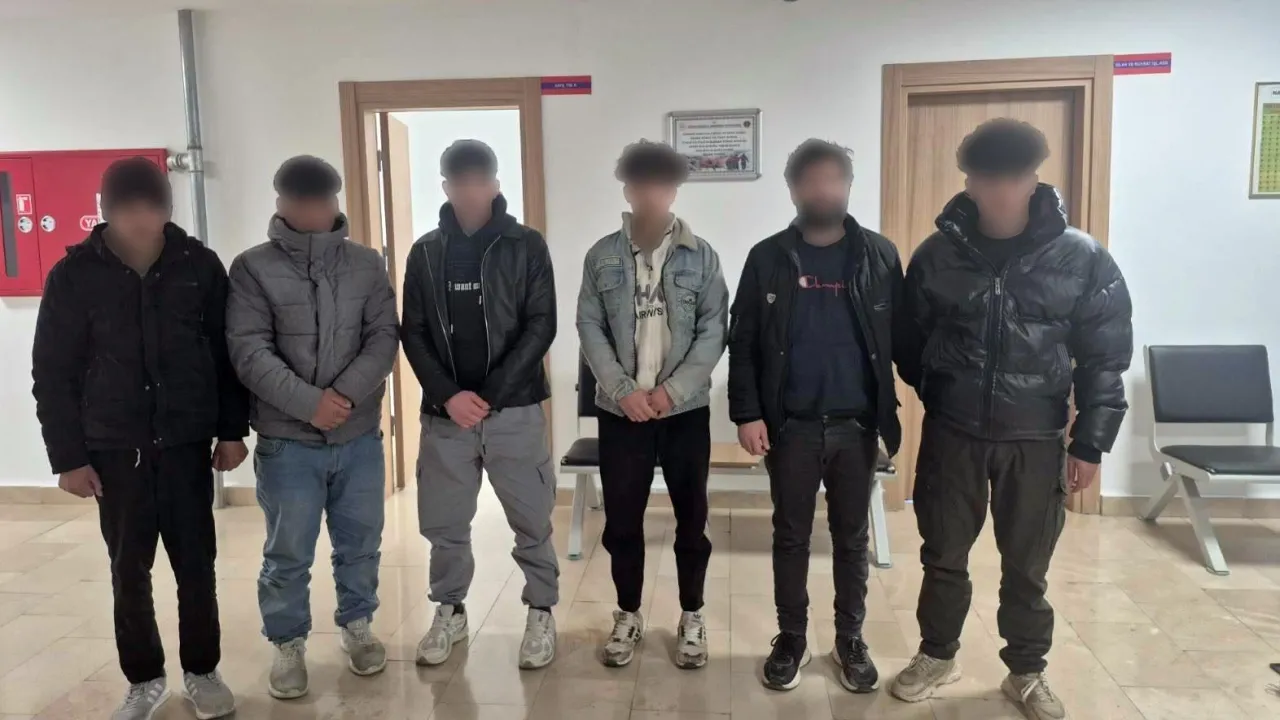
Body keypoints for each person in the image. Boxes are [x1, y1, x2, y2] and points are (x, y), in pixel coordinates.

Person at [890, 119, 1132, 720]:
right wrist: (943, 390)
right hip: (953, 435)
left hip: (1037, 438)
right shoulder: (937, 255)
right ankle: (937, 654)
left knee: (1027, 564)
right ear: (969, 183)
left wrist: (1090, 442)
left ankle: (1026, 671)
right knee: (943, 554)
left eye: (1014, 177)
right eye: (987, 178)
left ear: (1033, 180)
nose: (1000, 190)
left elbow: (1105, 357)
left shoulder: (1082, 259)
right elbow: (908, 339)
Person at [32, 157, 249, 720]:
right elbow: (53, 372)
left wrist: (231, 431)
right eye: (127, 208)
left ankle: (202, 670)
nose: (141, 219)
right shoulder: (74, 274)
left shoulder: (198, 265)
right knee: (129, 570)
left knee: (196, 565)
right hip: (113, 448)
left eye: (152, 206)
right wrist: (68, 457)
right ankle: (144, 679)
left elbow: (226, 355)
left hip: (185, 444)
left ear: (167, 208)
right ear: (106, 210)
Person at [727, 140, 903, 693]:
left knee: (852, 540)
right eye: (810, 180)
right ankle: (792, 638)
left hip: (857, 426)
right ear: (793, 189)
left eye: (833, 179)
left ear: (847, 186)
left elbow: (904, 339)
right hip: (792, 427)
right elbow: (743, 343)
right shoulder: (767, 258)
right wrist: (747, 413)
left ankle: (850, 639)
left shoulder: (879, 256)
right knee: (791, 536)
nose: (822, 190)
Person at [226, 156, 399, 699]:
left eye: (322, 201)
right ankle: (288, 644)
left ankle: (358, 625)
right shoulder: (252, 268)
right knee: (287, 552)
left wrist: (342, 398)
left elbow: (383, 337)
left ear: (335, 202)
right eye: (300, 201)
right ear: (281, 203)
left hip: (357, 436)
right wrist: (309, 404)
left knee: (361, 542)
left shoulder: (366, 264)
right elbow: (249, 350)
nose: (312, 211)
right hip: (287, 441)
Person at [403, 140, 559, 670]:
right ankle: (450, 610)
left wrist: (490, 395)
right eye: (459, 183)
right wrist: (448, 395)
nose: (470, 192)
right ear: (445, 187)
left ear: (494, 184)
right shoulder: (426, 252)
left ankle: (541, 611)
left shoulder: (526, 245)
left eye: (479, 182)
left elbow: (541, 325)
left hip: (514, 409)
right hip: (446, 416)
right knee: (445, 524)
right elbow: (413, 331)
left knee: (532, 518)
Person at [577, 140, 729, 669]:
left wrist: (672, 391)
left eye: (661, 185)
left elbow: (714, 331)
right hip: (622, 413)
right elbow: (589, 326)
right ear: (627, 189)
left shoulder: (702, 256)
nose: (650, 194)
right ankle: (627, 613)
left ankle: (692, 614)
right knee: (622, 521)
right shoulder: (601, 256)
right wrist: (623, 390)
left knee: (692, 519)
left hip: (683, 412)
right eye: (639, 184)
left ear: (673, 190)